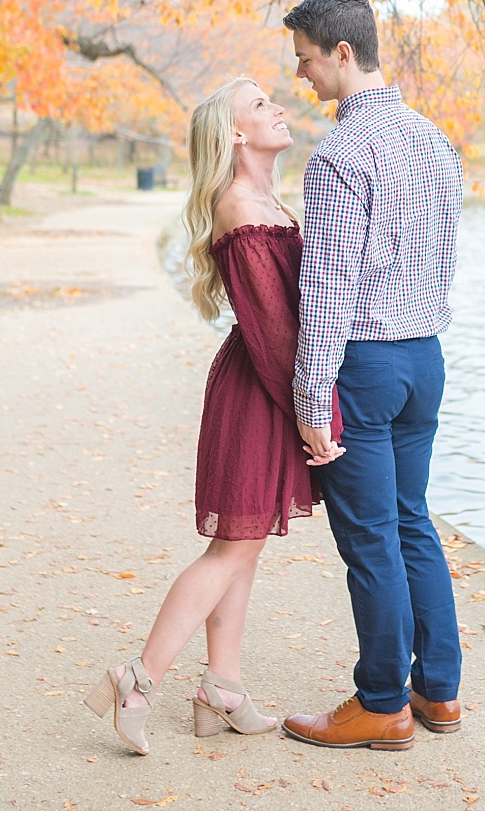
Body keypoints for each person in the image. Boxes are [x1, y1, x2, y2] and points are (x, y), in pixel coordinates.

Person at [86, 77, 342, 756]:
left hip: (264, 380)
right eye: (260, 105)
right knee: (230, 548)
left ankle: (221, 692)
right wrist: (312, 411)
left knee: (244, 546)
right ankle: (136, 680)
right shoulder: (239, 203)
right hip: (260, 384)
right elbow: (274, 332)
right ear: (233, 133)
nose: (279, 108)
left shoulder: (264, 197)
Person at [277, 0, 465, 753]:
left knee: (371, 540)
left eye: (307, 61)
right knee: (413, 520)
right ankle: (438, 692)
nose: (303, 78)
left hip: (362, 364)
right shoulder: (437, 143)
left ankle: (382, 701)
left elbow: (327, 292)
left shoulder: (340, 157)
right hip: (426, 360)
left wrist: (308, 397)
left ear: (343, 54)